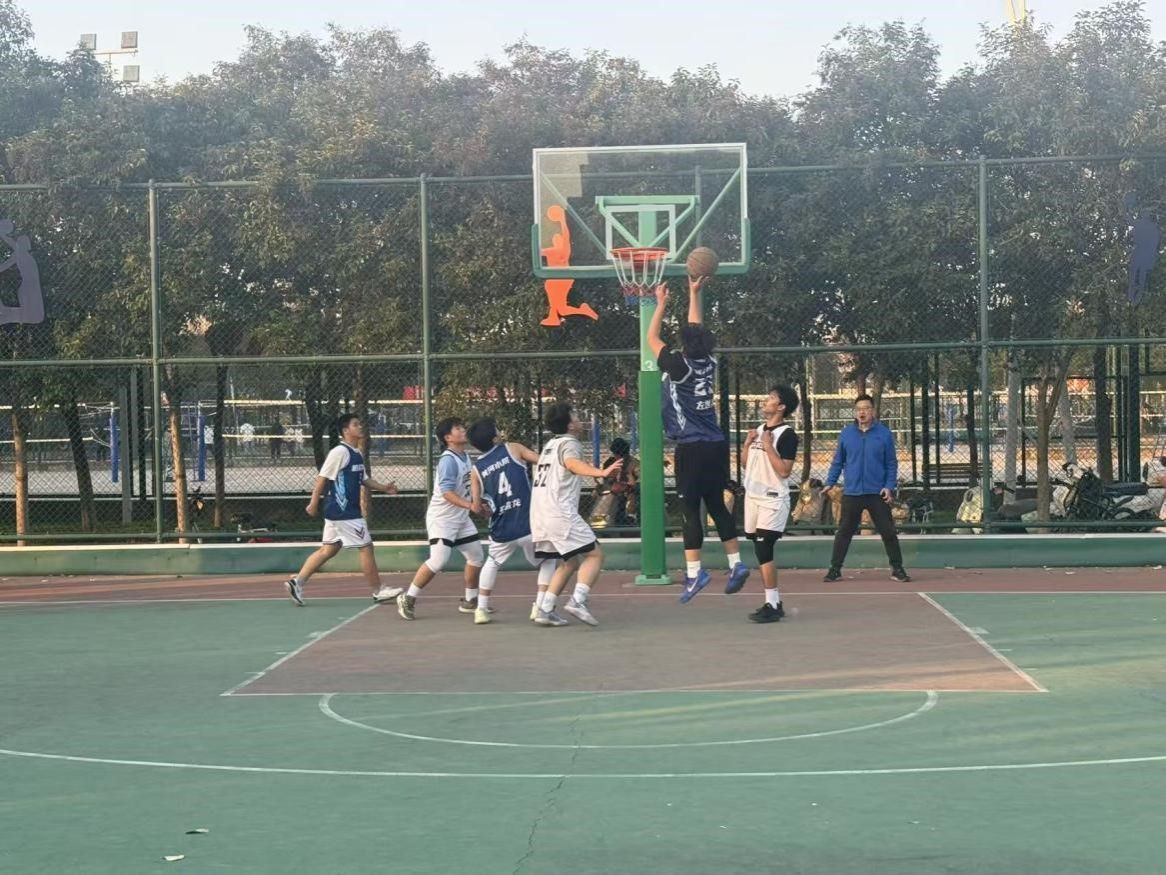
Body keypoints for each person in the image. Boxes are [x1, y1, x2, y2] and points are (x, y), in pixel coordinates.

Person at [646, 280, 749, 602]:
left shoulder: (679, 366)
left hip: (691, 446)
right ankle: (736, 564)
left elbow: (651, 339)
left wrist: (661, 303)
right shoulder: (709, 361)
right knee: (716, 505)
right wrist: (693, 293)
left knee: (690, 510)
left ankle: (695, 574)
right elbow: (695, 329)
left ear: (685, 344)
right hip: (716, 444)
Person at [284, 414, 402, 606]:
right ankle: (378, 591)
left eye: (360, 423)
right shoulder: (339, 452)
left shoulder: (356, 453)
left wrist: (383, 487)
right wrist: (313, 503)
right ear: (346, 430)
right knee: (366, 547)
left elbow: (364, 479)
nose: (360, 426)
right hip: (344, 511)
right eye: (356, 424)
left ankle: (297, 582)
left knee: (329, 549)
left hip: (339, 511)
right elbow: (322, 478)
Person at [530, 401, 622, 627]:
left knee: (569, 562)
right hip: (558, 511)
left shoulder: (551, 445)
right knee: (595, 555)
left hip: (540, 512)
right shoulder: (570, 443)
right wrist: (601, 472)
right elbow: (572, 464)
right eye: (576, 416)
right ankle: (578, 601)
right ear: (570, 425)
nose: (580, 420)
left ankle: (545, 609)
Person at [467, 418, 558, 625]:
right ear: (494, 438)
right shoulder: (513, 448)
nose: (500, 431)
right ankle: (539, 606)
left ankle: (481, 609)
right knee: (548, 561)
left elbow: (476, 506)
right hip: (529, 523)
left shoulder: (476, 469)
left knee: (492, 563)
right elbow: (543, 462)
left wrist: (486, 510)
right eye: (497, 430)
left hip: (502, 528)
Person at [396, 417, 485, 620]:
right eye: (458, 428)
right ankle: (408, 598)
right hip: (442, 519)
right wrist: (471, 506)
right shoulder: (448, 460)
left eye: (462, 426)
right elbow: (447, 493)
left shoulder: (465, 456)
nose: (463, 430)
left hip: (460, 518)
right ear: (448, 438)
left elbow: (469, 487)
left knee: (476, 557)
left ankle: (471, 600)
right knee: (438, 560)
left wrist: (479, 504)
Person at [823, 394, 912, 583]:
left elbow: (891, 463)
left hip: (877, 493)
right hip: (852, 492)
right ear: (855, 412)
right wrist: (830, 482)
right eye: (858, 409)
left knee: (888, 532)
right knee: (844, 532)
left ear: (873, 411)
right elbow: (838, 461)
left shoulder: (884, 434)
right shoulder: (846, 434)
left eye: (866, 408)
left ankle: (897, 569)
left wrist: (888, 486)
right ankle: (835, 569)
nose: (862, 412)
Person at [739, 385, 801, 623]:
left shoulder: (787, 435)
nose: (766, 401)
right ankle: (773, 602)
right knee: (759, 549)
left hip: (772, 499)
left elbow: (784, 471)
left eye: (771, 398)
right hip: (752, 497)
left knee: (764, 548)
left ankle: (772, 604)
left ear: (781, 406)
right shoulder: (759, 430)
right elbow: (746, 464)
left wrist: (767, 446)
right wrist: (747, 444)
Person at [592, 437, 640, 527]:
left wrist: (628, 474)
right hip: (613, 490)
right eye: (616, 454)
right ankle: (602, 522)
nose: (617, 457)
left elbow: (636, 483)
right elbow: (606, 480)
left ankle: (627, 519)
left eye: (620, 455)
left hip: (628, 491)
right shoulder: (610, 462)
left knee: (629, 496)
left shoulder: (634, 463)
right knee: (604, 494)